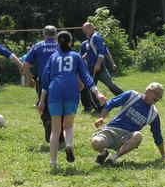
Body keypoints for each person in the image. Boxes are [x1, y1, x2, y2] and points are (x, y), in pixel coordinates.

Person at [38, 31, 106, 169]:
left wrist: (42, 100)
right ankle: (68, 145)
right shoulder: (76, 56)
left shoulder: (53, 57)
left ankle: (53, 163)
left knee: (55, 130)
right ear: (70, 42)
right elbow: (86, 76)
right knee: (68, 126)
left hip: (55, 91)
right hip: (71, 91)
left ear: (58, 42)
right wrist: (97, 93)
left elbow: (45, 79)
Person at [91, 82, 165, 165]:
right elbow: (111, 103)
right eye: (156, 94)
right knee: (96, 142)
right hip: (111, 130)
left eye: (159, 97)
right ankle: (103, 153)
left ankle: (113, 158)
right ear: (148, 91)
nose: (157, 99)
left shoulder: (153, 114)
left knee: (138, 136)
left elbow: (157, 135)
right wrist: (102, 117)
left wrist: (163, 155)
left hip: (126, 138)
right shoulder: (132, 95)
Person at [22, 26, 62, 142]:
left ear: (44, 34)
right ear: (56, 34)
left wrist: (30, 78)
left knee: (43, 105)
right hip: (60, 81)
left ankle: (48, 124)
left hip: (43, 81)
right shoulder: (61, 45)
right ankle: (60, 136)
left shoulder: (38, 46)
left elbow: (25, 65)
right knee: (60, 106)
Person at [80, 22, 124, 112]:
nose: (84, 32)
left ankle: (124, 99)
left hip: (96, 67)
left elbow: (101, 52)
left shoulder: (96, 37)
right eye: (83, 30)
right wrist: (85, 56)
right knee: (106, 85)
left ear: (91, 28)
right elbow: (92, 52)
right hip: (93, 68)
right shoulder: (90, 39)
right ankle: (99, 106)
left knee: (93, 87)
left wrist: (98, 64)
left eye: (85, 29)